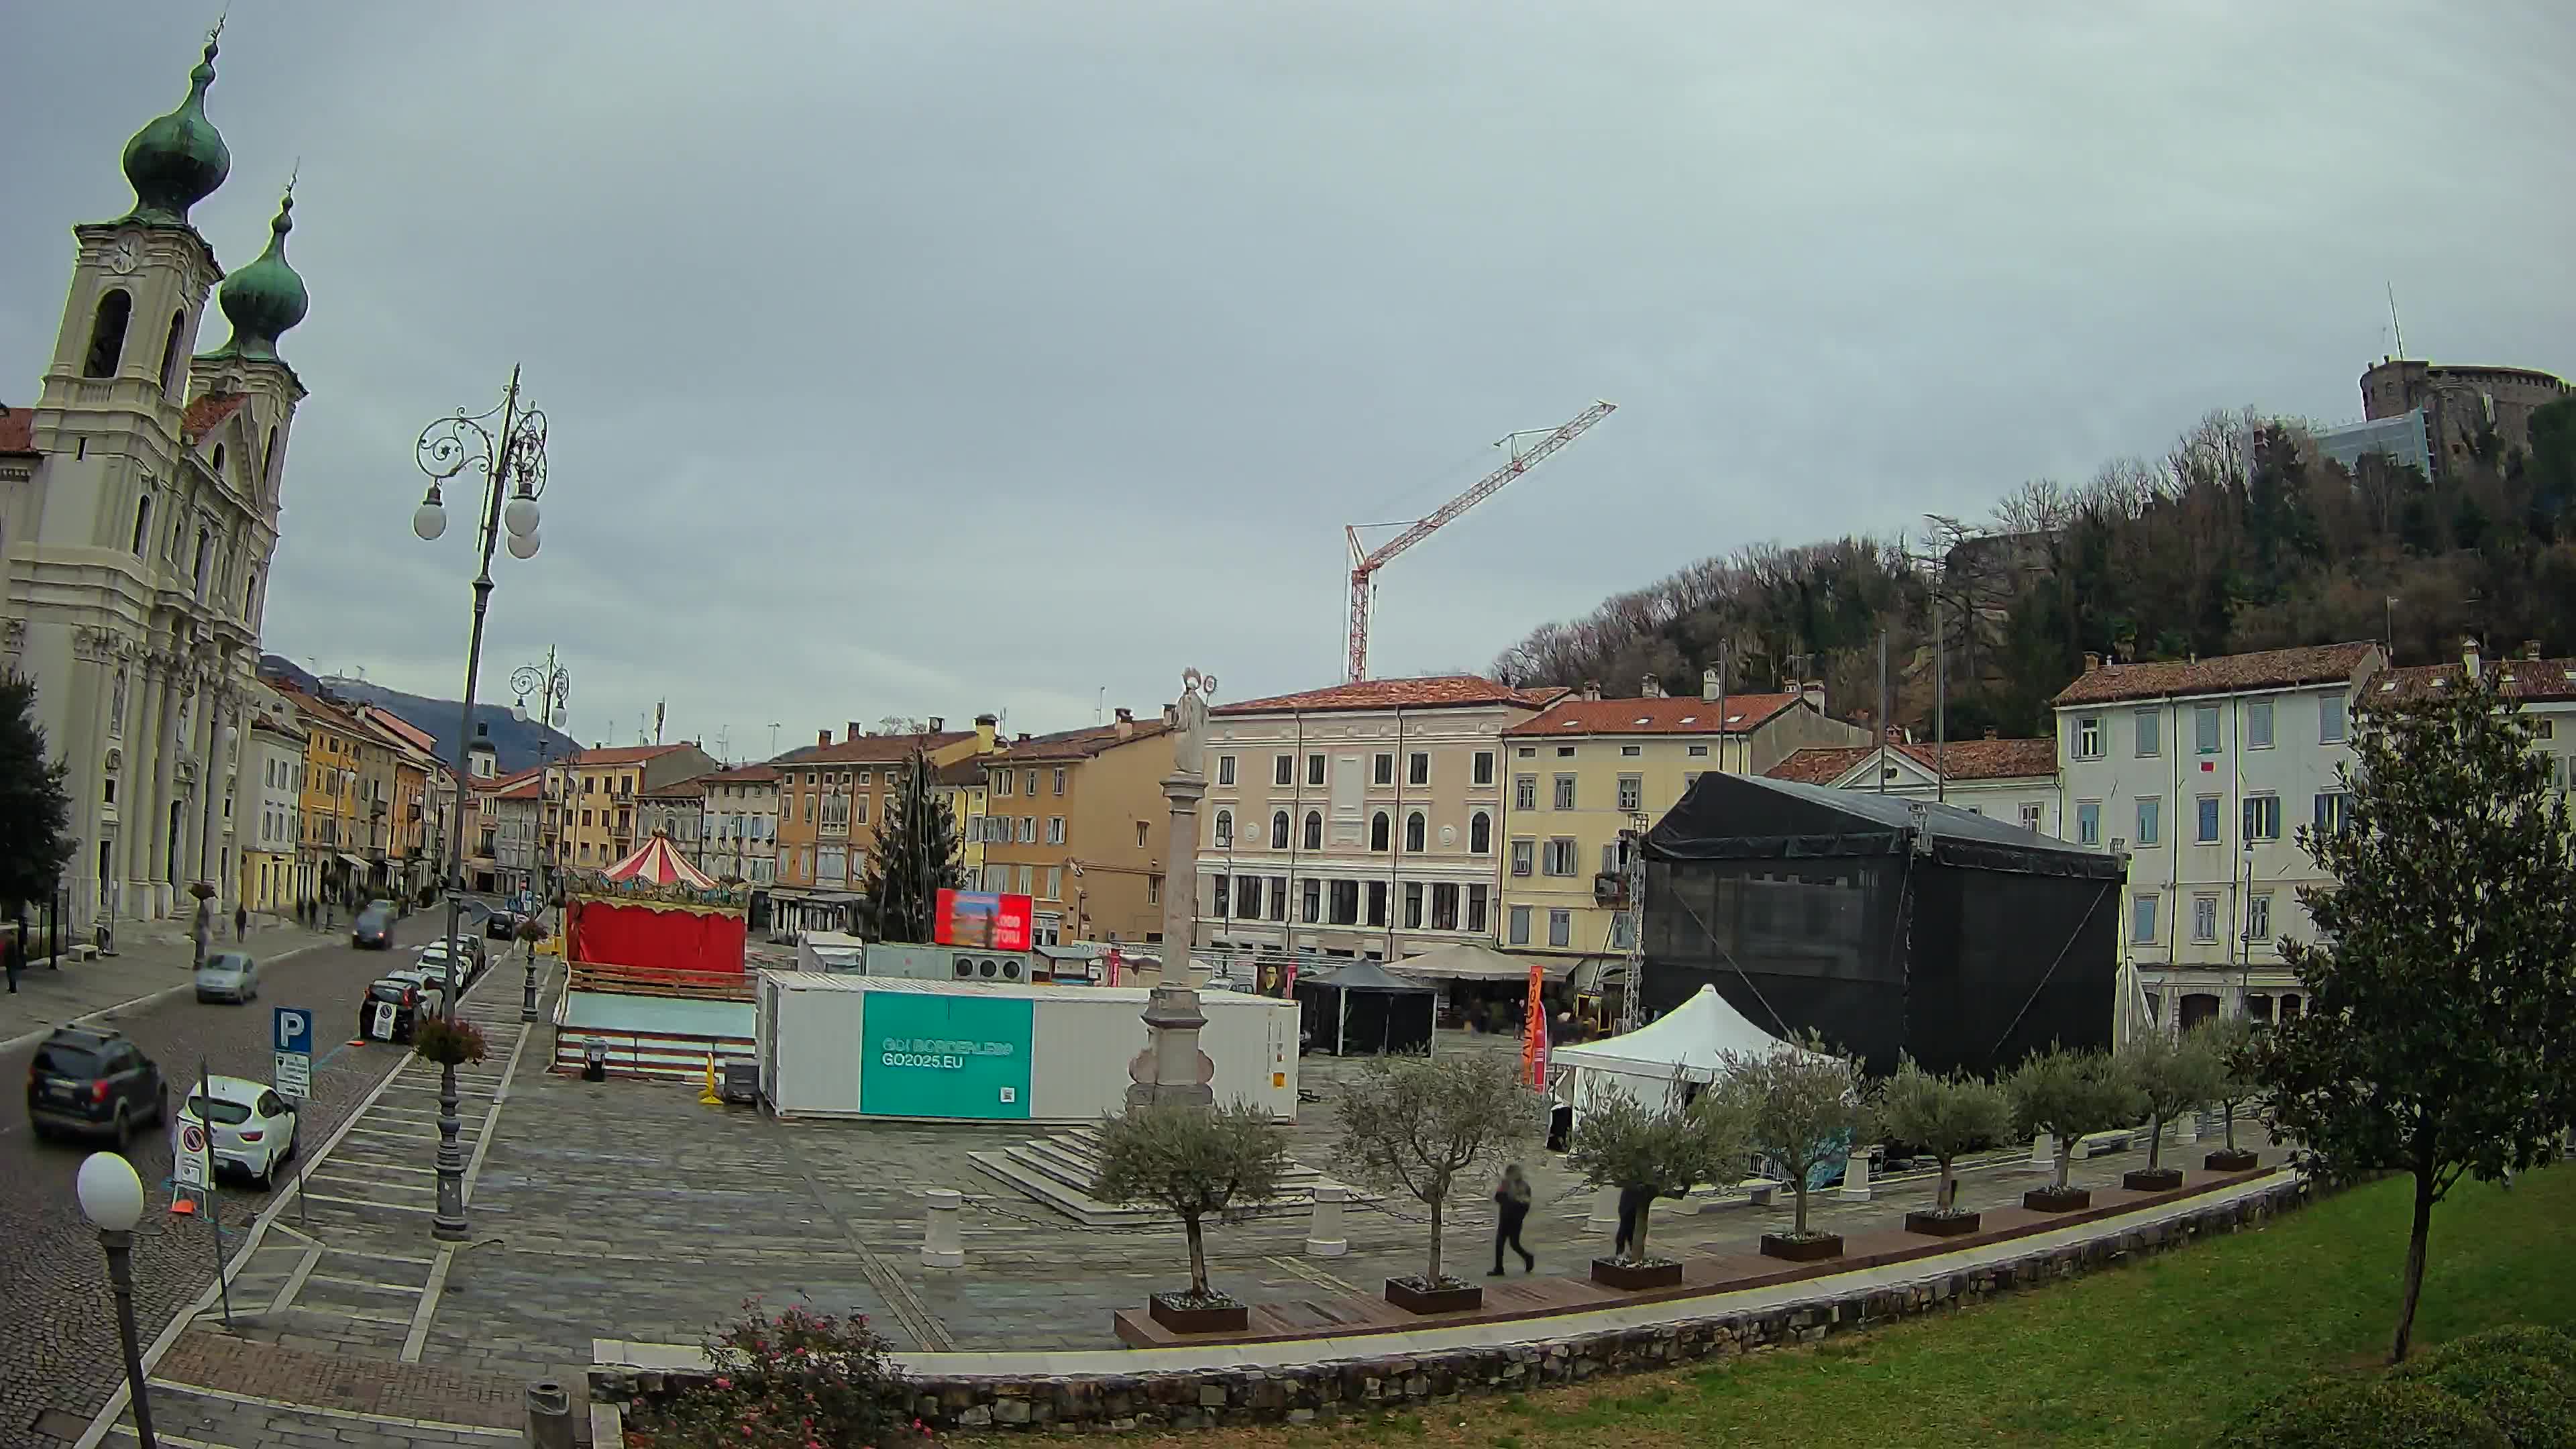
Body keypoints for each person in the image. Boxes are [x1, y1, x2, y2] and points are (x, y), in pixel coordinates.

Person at [1491, 1163, 1536, 1275]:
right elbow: (1498, 1198)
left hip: (1515, 1220)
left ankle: (1528, 1258)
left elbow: (1525, 1205)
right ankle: (1499, 1268)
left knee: (1514, 1244)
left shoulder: (1524, 1187)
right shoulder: (1506, 1185)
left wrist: (1515, 1205)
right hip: (1505, 1218)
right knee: (1500, 1244)